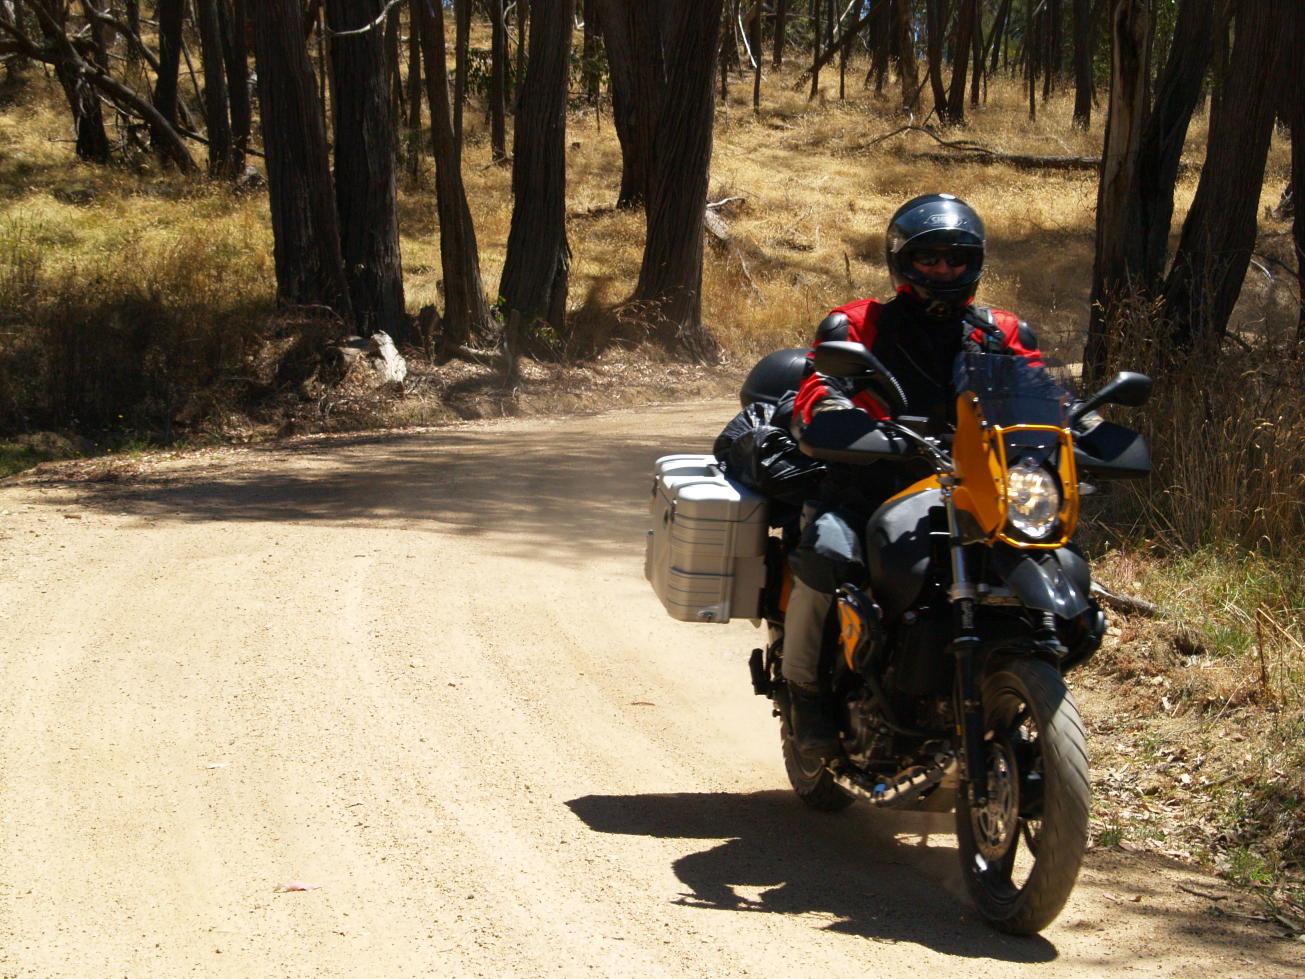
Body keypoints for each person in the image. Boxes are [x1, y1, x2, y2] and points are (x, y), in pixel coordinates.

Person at [783, 192, 1047, 762]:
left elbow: (1040, 394)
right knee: (826, 557)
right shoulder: (858, 323)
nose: (944, 269)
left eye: (956, 258)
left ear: (975, 262)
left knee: (1046, 553)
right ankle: (806, 692)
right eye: (930, 258)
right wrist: (834, 412)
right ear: (903, 261)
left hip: (977, 489)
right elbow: (819, 385)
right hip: (871, 480)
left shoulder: (1002, 331)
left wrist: (1082, 426)